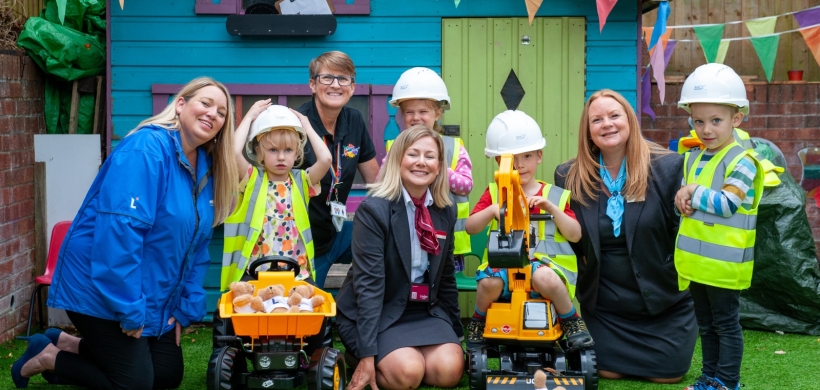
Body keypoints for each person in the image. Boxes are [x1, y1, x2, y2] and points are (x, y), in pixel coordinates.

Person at [11, 77, 238, 389]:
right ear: (181, 104)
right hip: (99, 287)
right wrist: (129, 310)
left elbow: (197, 246)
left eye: (222, 112)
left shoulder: (204, 167)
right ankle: (49, 357)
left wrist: (185, 307)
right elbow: (120, 235)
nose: (213, 114)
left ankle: (64, 343)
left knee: (167, 375)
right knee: (134, 383)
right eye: (206, 103)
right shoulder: (146, 150)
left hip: (147, 293)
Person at [554, 89, 698, 383]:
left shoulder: (668, 167)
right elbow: (569, 238)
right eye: (597, 119)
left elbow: (681, 233)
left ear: (630, 120)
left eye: (614, 115)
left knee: (668, 375)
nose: (607, 124)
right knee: (606, 371)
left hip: (664, 302)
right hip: (606, 308)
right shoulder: (569, 175)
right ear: (588, 131)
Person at [337, 125, 464, 390]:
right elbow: (369, 285)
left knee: (449, 372)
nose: (421, 162)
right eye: (413, 154)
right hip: (380, 309)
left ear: (439, 166)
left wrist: (456, 332)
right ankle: (368, 356)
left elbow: (447, 276)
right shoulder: (374, 211)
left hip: (423, 309)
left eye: (430, 156)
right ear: (398, 160)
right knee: (408, 373)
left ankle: (405, 356)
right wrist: (366, 353)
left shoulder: (445, 211)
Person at [464, 109, 592, 352]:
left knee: (542, 277)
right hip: (504, 268)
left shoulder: (554, 195)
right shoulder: (493, 194)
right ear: (499, 163)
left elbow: (575, 234)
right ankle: (478, 322)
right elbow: (471, 228)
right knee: (488, 282)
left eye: (527, 156)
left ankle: (572, 321)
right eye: (512, 159)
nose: (520, 165)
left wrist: (552, 209)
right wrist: (493, 210)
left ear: (539, 156)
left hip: (546, 267)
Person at [675, 64, 763, 390]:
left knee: (725, 324)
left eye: (716, 121)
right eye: (698, 121)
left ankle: (727, 382)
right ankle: (708, 379)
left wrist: (692, 194)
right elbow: (691, 199)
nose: (706, 129)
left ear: (736, 119)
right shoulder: (695, 157)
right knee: (706, 325)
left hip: (725, 264)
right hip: (698, 263)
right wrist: (682, 200)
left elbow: (727, 204)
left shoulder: (742, 160)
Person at [221, 103, 331, 288]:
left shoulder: (302, 181)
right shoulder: (253, 179)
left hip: (296, 271)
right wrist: (248, 118)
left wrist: (308, 127)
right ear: (258, 152)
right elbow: (232, 152)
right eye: (273, 150)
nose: (281, 157)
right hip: (255, 271)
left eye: (288, 150)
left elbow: (326, 159)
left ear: (297, 152)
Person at [296, 51, 380, 288]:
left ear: (352, 87)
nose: (336, 85)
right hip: (302, 244)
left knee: (389, 243)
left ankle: (359, 310)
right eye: (327, 78)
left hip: (338, 233)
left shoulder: (354, 120)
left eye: (343, 79)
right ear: (312, 84)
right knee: (307, 316)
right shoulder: (294, 124)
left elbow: (377, 182)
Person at [387, 67, 473, 271]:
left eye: (423, 111)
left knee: (441, 288)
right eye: (409, 112)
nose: (416, 117)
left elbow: (466, 186)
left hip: (446, 237)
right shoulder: (395, 146)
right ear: (401, 114)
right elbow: (385, 182)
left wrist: (438, 170)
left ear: (438, 113)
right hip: (406, 236)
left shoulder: (453, 147)